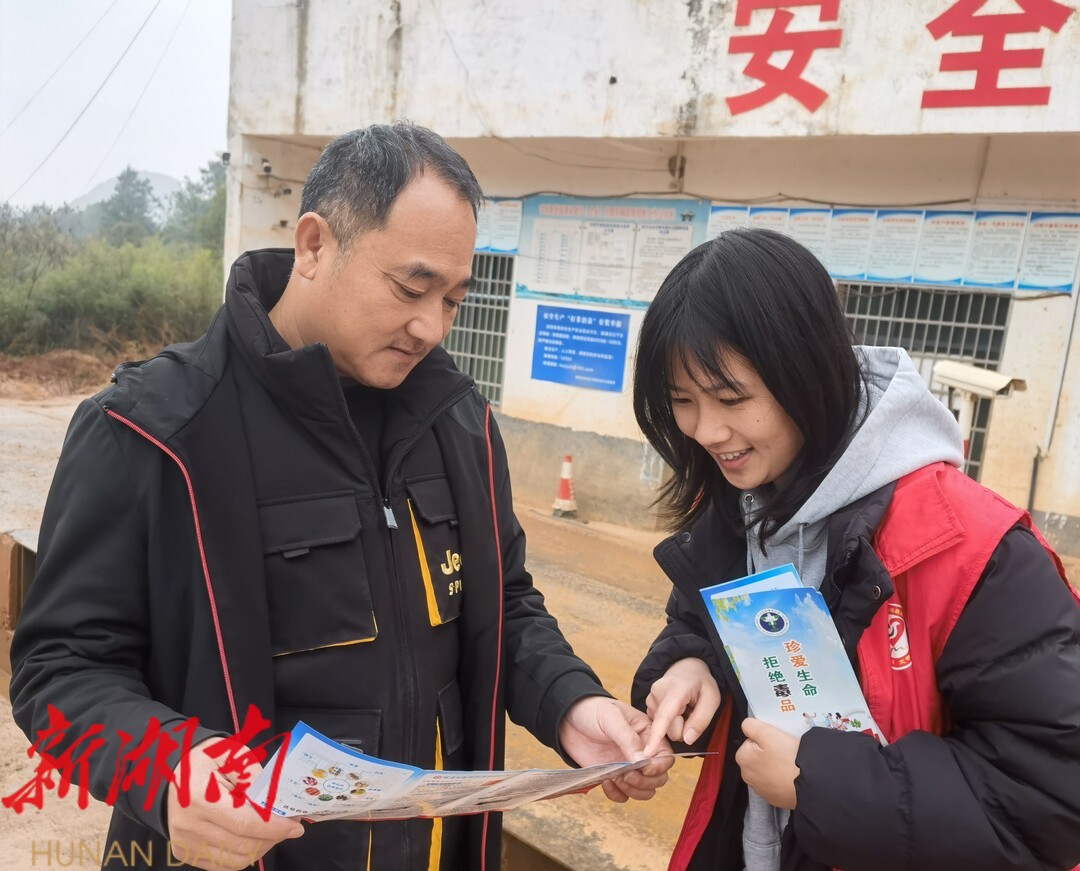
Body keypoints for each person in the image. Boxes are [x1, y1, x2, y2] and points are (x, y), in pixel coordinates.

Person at [9, 123, 672, 871]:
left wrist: (572, 702)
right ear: (314, 245)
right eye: (410, 289)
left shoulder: (458, 424)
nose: (430, 326)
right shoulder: (153, 430)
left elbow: (504, 603)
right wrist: (166, 772)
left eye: (453, 300)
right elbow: (59, 670)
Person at [631, 228, 1080, 871]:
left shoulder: (976, 549)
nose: (707, 431)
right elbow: (697, 623)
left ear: (806, 374)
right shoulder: (739, 498)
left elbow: (1049, 798)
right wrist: (692, 665)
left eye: (732, 399)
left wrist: (819, 783)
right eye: (682, 402)